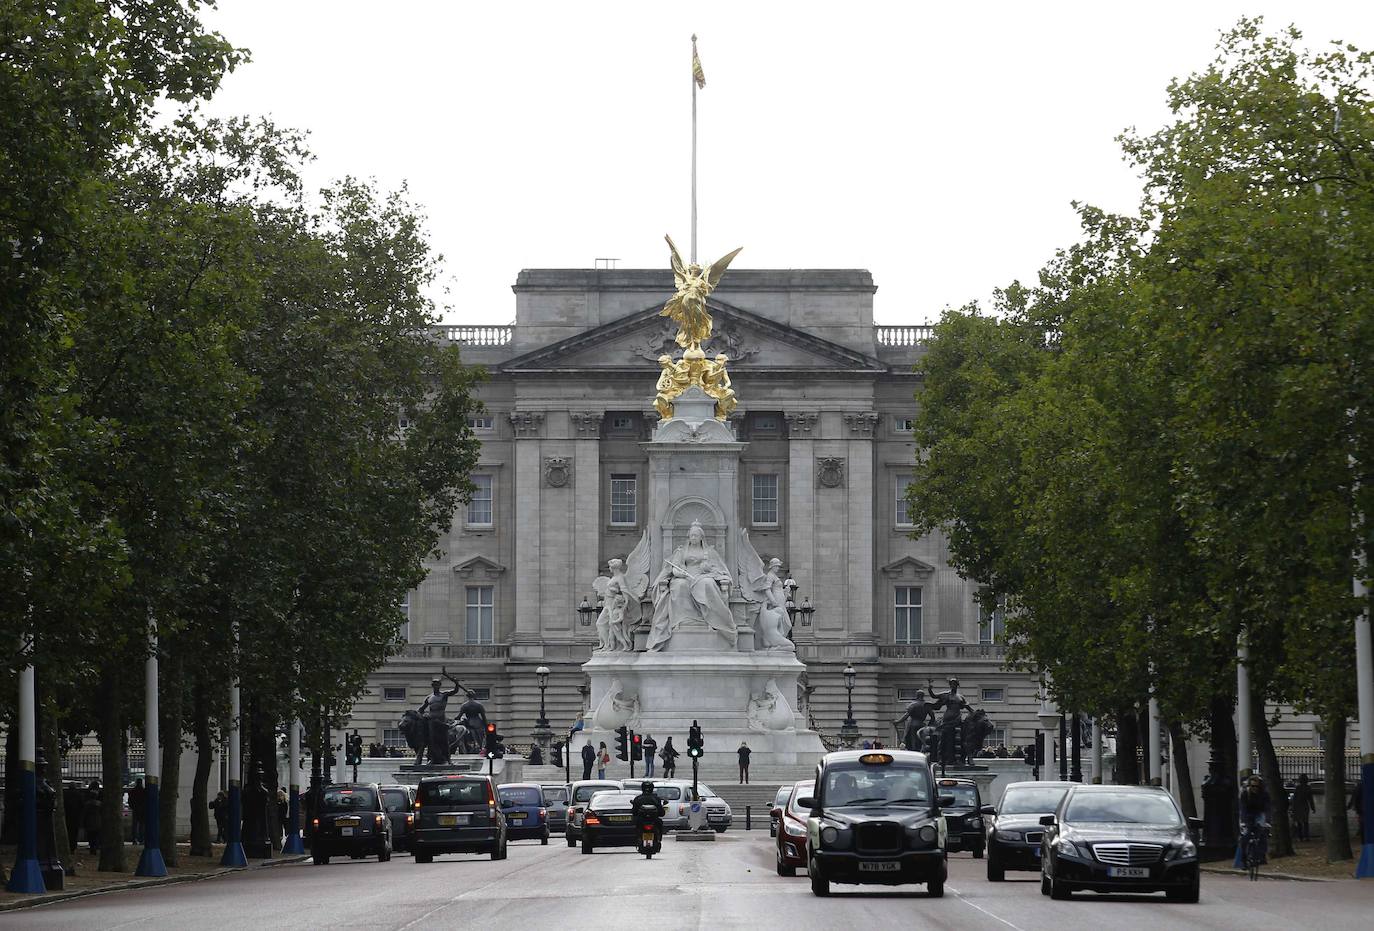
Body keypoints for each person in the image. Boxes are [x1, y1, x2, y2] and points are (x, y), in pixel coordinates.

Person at [1239, 775, 1270, 863]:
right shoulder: (1245, 793)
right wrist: (1243, 822)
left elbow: (1268, 808)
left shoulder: (1264, 794)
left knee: (1262, 833)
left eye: (1257, 786)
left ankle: (1262, 856)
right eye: (1253, 786)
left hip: (1259, 813)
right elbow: (1243, 808)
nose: (1255, 788)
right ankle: (1243, 857)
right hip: (1248, 814)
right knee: (1246, 835)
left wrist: (1267, 821)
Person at [630, 780, 666, 852]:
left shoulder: (638, 799)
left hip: (641, 821)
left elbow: (634, 812)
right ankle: (658, 840)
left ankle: (638, 840)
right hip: (654, 821)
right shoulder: (656, 799)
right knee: (660, 824)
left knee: (635, 826)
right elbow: (661, 813)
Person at [1291, 774, 1315, 842]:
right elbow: (1310, 799)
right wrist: (1313, 808)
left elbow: (1294, 799)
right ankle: (1306, 836)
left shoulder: (1297, 788)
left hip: (1298, 806)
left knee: (1299, 823)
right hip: (1305, 806)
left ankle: (1300, 837)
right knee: (1305, 822)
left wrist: (1292, 808)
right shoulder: (1308, 788)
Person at [82, 781, 103, 853]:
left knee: (90, 835)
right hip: (98, 820)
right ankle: (95, 846)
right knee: (96, 835)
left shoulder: (87, 804)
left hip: (89, 821)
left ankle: (92, 847)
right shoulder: (100, 804)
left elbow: (84, 813)